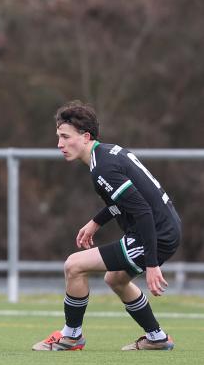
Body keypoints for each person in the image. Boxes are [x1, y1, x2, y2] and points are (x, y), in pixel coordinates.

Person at [33, 101, 181, 351]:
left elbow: (143, 211)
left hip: (155, 233)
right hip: (165, 228)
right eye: (58, 137)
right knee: (115, 279)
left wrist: (152, 264)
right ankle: (157, 338)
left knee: (74, 266)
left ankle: (71, 336)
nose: (59, 144)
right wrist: (96, 222)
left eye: (65, 137)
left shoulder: (103, 168)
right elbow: (126, 202)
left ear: (85, 136)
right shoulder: (107, 153)